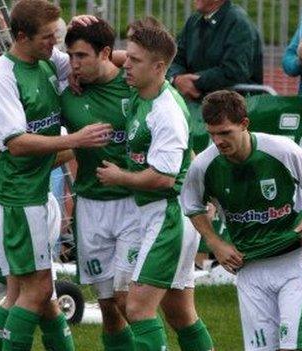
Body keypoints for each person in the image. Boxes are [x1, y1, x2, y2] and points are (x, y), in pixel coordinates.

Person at [0, 0, 112, 349]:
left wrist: (88, 28)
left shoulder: (47, 58)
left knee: (26, 291)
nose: (55, 44)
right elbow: (18, 143)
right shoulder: (1, 76)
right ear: (21, 36)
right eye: (47, 38)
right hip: (15, 194)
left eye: (57, 36)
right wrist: (75, 139)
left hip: (28, 191)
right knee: (36, 289)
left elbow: (104, 60)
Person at [96, 26, 214, 351]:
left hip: (168, 215)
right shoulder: (142, 88)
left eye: (134, 60)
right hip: (153, 212)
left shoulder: (167, 113)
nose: (126, 65)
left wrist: (121, 176)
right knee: (178, 313)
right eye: (127, 57)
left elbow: (163, 177)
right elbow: (118, 59)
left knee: (137, 308)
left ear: (159, 67)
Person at [182, 90, 302, 351]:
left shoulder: (281, 149)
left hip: (293, 260)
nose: (218, 141)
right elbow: (191, 205)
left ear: (244, 125)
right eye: (213, 133)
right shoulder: (204, 165)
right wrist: (215, 242)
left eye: (225, 132)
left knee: (297, 346)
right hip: (249, 267)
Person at [61, 19, 141, 350]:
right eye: (70, 56)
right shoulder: (66, 94)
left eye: (81, 56)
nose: (74, 63)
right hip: (91, 207)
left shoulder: (135, 84)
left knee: (129, 301)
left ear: (106, 53)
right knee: (108, 305)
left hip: (133, 204)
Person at [168, 0, 263, 154]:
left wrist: (195, 82)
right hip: (199, 110)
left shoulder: (239, 23)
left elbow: (235, 69)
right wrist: (177, 78)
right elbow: (174, 58)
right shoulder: (194, 21)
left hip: (231, 111)